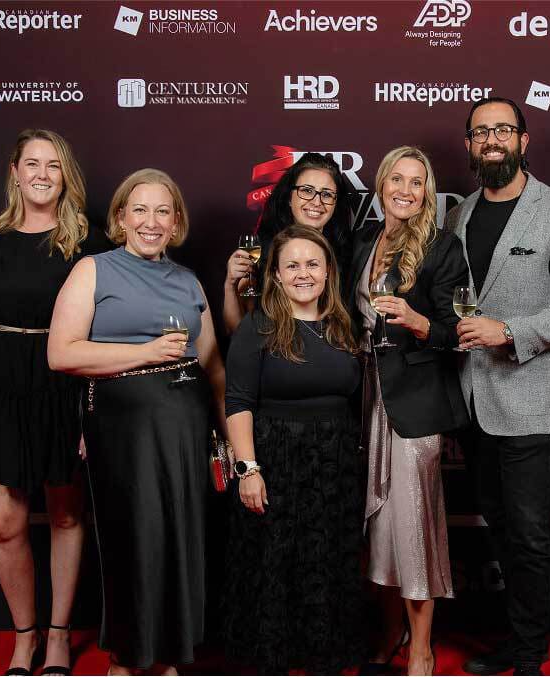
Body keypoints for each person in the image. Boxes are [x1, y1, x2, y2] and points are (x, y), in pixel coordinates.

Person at [0, 128, 111, 676]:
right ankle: (24, 636)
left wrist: (92, 411)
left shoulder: (85, 242)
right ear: (14, 171)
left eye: (53, 165)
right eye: (32, 163)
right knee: (5, 525)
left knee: (65, 515)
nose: (41, 173)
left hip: (64, 390)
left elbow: (104, 331)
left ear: (67, 177)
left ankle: (59, 636)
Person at [47, 168, 227, 676]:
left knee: (180, 540)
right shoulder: (94, 270)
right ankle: (127, 658)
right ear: (121, 217)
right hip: (123, 429)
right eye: (140, 210)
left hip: (186, 429)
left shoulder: (188, 280)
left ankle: (169, 655)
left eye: (163, 211)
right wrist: (145, 352)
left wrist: (225, 437)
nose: (151, 222)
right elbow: (61, 353)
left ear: (176, 222)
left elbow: (211, 365)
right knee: (135, 538)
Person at [447, 97, 550, 676]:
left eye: (502, 130)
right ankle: (517, 638)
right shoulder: (459, 217)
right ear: (469, 144)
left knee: (530, 535)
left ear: (523, 141)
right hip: (474, 399)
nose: (492, 140)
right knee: (501, 526)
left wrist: (509, 330)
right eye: (480, 131)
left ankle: (530, 651)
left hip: (533, 399)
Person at [346, 147, 469, 676]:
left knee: (413, 525)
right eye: (396, 178)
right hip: (365, 395)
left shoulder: (443, 247)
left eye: (417, 183)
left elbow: (455, 333)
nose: (405, 189)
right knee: (378, 525)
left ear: (427, 193)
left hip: (415, 402)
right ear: (380, 185)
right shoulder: (364, 243)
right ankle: (389, 628)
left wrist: (416, 320)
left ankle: (421, 646)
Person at [222, 225, 365, 674]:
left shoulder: (345, 325)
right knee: (276, 561)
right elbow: (238, 403)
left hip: (335, 462)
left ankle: (324, 656)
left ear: (328, 271)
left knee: (328, 560)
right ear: (277, 276)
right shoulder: (257, 325)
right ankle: (273, 660)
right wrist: (248, 469)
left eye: (312, 264)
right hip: (275, 458)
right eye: (292, 265)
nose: (304, 273)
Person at [223, 152, 355, 333]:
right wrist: (230, 285)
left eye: (327, 194)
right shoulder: (262, 252)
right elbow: (237, 330)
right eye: (307, 191)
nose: (317, 202)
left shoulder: (348, 252)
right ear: (289, 198)